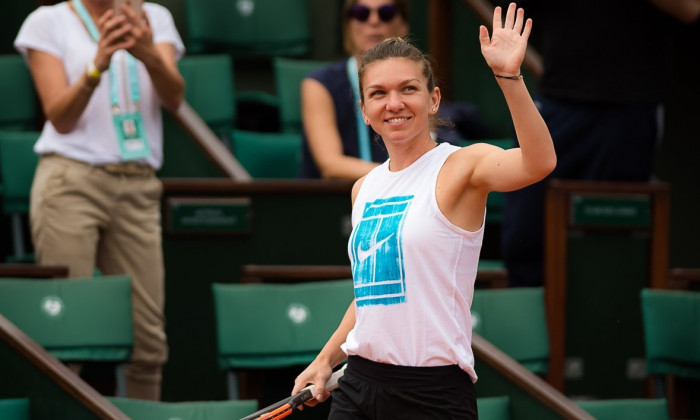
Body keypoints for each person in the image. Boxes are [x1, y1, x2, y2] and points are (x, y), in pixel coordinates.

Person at [291, 4, 555, 419]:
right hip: (357, 386)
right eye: (378, 93)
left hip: (432, 395)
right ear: (364, 110)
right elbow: (371, 295)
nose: (393, 103)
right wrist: (326, 358)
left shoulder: (462, 166)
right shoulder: (364, 188)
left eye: (408, 89)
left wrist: (509, 78)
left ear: (433, 99)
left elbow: (539, 163)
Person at [14, 0, 185, 400]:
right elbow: (60, 117)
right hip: (71, 181)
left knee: (147, 335)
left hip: (139, 185)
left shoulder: (154, 17)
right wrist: (98, 64)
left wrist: (147, 54)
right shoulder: (47, 20)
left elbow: (174, 98)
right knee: (66, 325)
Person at [497, 0, 700, 287]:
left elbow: (691, 9)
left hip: (630, 106)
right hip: (558, 99)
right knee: (526, 233)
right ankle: (527, 323)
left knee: (613, 240)